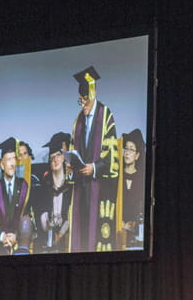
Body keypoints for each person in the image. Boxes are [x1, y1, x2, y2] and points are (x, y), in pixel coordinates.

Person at [70, 66, 119, 252]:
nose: (83, 104)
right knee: (81, 232)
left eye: (86, 99)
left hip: (99, 187)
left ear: (94, 92)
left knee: (94, 234)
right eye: (80, 100)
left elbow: (112, 159)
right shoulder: (78, 121)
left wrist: (95, 168)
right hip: (81, 187)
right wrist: (71, 164)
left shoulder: (106, 116)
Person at [0, 138, 31, 256]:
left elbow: (29, 215)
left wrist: (17, 235)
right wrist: (2, 237)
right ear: (2, 165)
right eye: (8, 160)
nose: (12, 164)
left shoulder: (24, 186)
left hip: (20, 243)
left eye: (13, 159)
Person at [35, 133, 73, 253]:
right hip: (47, 237)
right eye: (52, 158)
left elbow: (72, 216)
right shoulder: (44, 188)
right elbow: (40, 214)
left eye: (58, 156)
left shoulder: (71, 187)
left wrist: (61, 233)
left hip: (66, 236)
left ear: (63, 158)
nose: (55, 160)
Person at [119, 129, 145, 250]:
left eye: (131, 149)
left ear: (137, 155)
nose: (127, 153)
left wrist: (134, 223)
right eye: (126, 149)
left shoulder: (142, 178)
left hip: (137, 238)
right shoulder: (117, 176)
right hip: (118, 234)